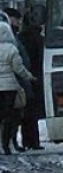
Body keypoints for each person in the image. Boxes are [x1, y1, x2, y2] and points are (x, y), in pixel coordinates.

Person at [0, 22, 35, 155]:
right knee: (9, 117)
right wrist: (29, 77)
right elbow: (18, 68)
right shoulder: (12, 49)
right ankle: (7, 145)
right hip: (9, 87)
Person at [18, 12, 44, 150]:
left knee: (25, 110)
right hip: (36, 77)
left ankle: (26, 140)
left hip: (23, 77)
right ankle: (34, 141)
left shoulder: (20, 38)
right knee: (32, 111)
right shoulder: (39, 39)